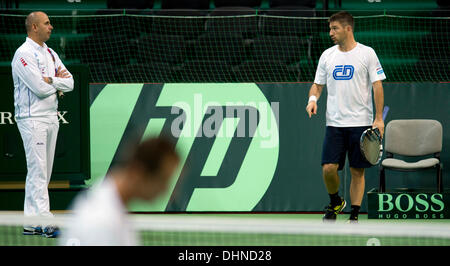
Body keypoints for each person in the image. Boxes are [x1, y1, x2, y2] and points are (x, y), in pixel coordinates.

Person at [306, 11, 385, 223]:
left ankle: (355, 214)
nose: (331, 32)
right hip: (335, 124)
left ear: (348, 28)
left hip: (360, 123)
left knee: (357, 171)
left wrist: (378, 118)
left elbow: (377, 86)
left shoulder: (367, 53)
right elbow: (318, 84)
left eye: (335, 28)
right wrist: (312, 99)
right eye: (330, 28)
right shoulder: (327, 55)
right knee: (329, 168)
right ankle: (335, 201)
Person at [12, 11, 74, 237]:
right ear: (34, 27)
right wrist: (56, 86)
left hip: (51, 116)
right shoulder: (23, 54)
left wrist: (53, 81)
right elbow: (38, 88)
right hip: (32, 119)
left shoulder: (50, 52)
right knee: (38, 171)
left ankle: (30, 221)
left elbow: (71, 82)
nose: (52, 27)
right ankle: (46, 221)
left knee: (42, 172)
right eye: (47, 23)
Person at [60, 137, 180, 246]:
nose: (166, 190)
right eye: (163, 180)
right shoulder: (101, 222)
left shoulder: (113, 206)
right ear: (139, 173)